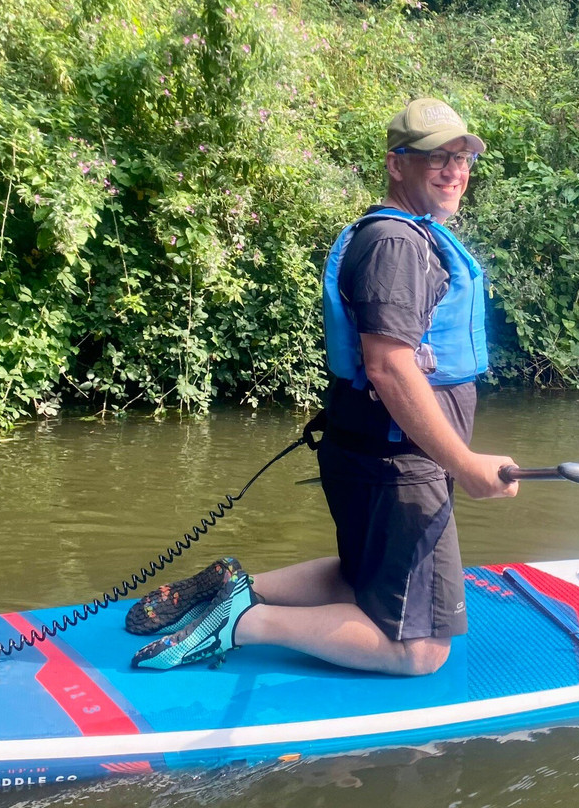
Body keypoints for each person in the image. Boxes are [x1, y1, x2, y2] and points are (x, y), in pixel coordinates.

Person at [129, 98, 519, 676]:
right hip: (400, 464)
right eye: (437, 157)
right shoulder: (397, 245)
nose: (454, 169)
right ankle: (240, 624)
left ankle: (236, 589)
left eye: (462, 158)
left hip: (375, 453)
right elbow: (388, 366)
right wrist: (462, 462)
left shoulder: (403, 237)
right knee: (423, 651)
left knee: (360, 574)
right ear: (396, 164)